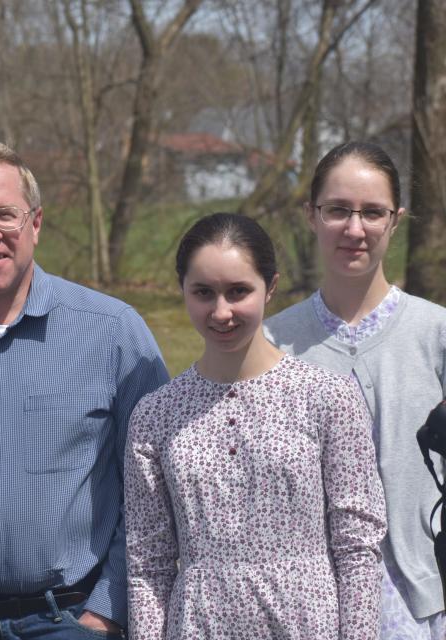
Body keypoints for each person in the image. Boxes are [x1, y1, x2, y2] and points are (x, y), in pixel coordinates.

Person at [0, 139, 169, 639]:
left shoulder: (112, 333)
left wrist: (104, 614)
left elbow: (154, 490)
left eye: (5, 214)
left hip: (68, 617)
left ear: (36, 223)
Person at [124, 212, 386, 639]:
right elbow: (148, 564)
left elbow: (357, 548)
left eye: (238, 291)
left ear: (272, 287)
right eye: (204, 293)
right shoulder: (156, 415)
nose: (221, 311)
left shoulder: (327, 397)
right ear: (183, 292)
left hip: (305, 624)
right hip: (198, 626)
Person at [265, 141, 446, 638]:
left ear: (396, 219)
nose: (354, 228)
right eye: (337, 210)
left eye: (372, 212)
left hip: (421, 603)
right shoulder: (270, 344)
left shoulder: (437, 335)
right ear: (310, 215)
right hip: (304, 609)